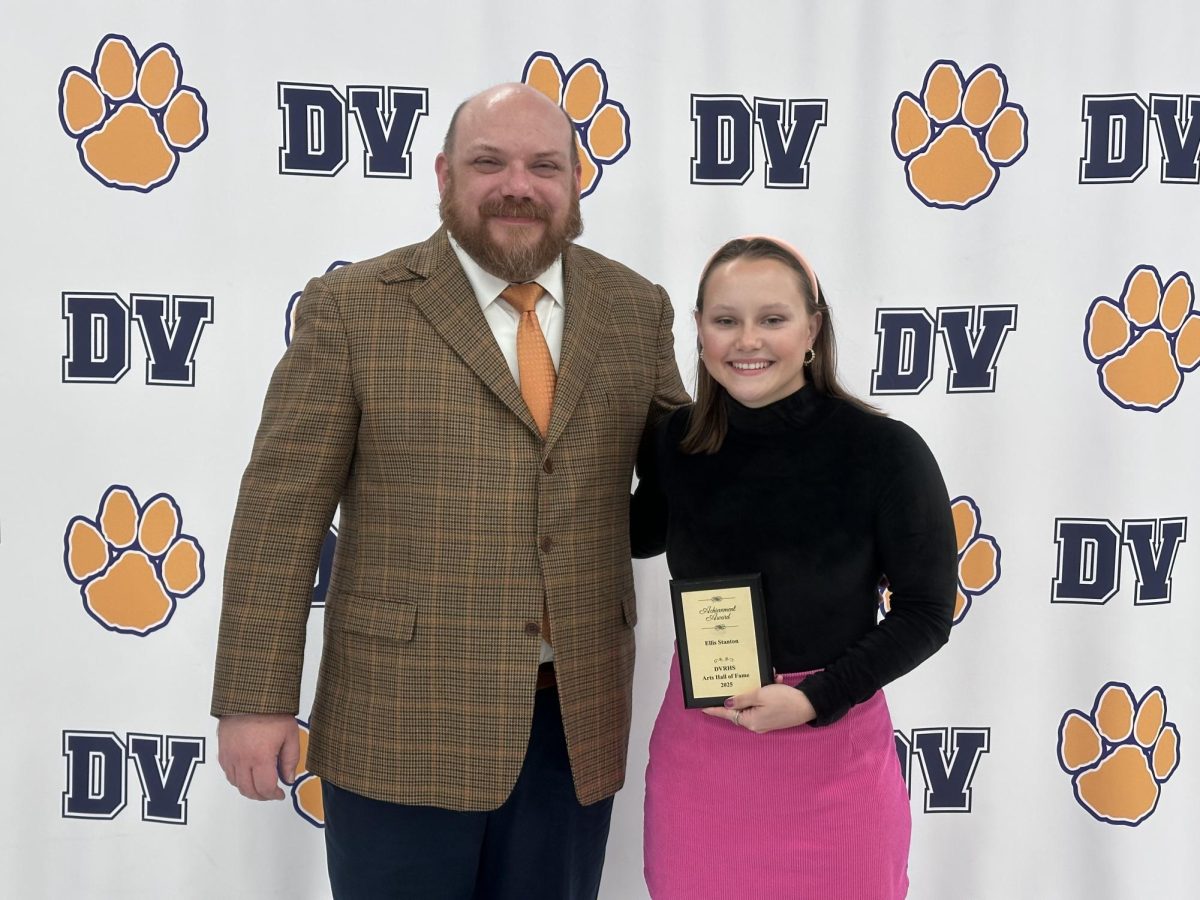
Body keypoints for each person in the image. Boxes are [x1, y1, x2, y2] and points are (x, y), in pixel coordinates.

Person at [211, 82, 688, 900]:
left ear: (576, 180)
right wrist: (255, 699)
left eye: (545, 166)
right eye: (489, 163)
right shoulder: (354, 308)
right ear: (443, 175)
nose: (518, 186)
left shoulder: (635, 309)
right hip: (401, 723)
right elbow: (279, 515)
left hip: (573, 727)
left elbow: (692, 475)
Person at [631, 236, 957, 899]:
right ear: (699, 332)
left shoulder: (884, 452)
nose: (747, 340)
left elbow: (926, 613)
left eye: (772, 319)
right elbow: (635, 537)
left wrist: (814, 699)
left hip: (833, 752)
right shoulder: (673, 443)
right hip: (703, 758)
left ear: (812, 329)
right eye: (726, 320)